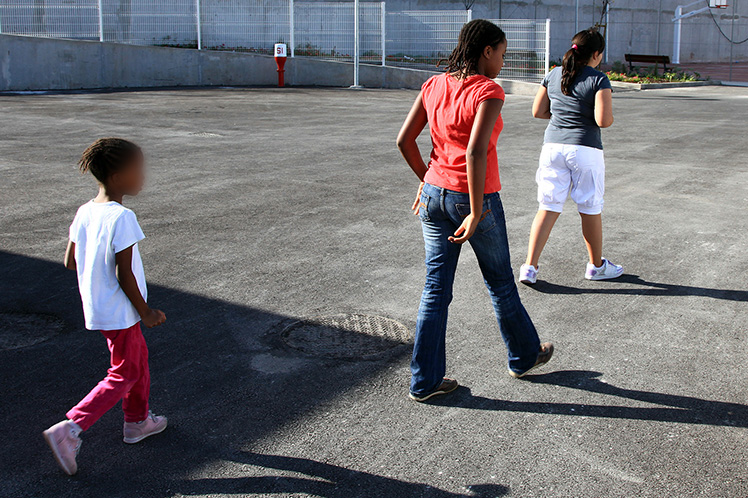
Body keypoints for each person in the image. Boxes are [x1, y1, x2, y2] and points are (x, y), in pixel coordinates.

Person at [397, 20, 553, 402]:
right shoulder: (489, 90)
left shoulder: (434, 85)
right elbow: (475, 151)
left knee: (435, 289)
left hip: (434, 195)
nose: (502, 61)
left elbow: (404, 140)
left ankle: (425, 381)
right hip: (473, 198)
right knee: (500, 282)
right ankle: (523, 355)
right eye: (502, 53)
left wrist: (428, 180)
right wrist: (476, 206)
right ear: (487, 51)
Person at [43, 138, 168, 476]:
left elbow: (71, 261)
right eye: (137, 170)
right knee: (125, 371)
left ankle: (136, 422)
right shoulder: (122, 216)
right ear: (117, 177)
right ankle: (71, 428)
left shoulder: (85, 211)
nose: (143, 176)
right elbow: (122, 271)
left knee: (137, 362)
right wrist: (146, 312)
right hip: (123, 310)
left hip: (102, 308)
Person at [519, 28, 623, 285]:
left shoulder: (553, 74)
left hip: (552, 148)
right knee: (589, 208)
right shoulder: (599, 79)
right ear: (596, 54)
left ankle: (529, 268)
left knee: (548, 205)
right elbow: (603, 120)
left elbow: (538, 111)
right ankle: (596, 266)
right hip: (585, 149)